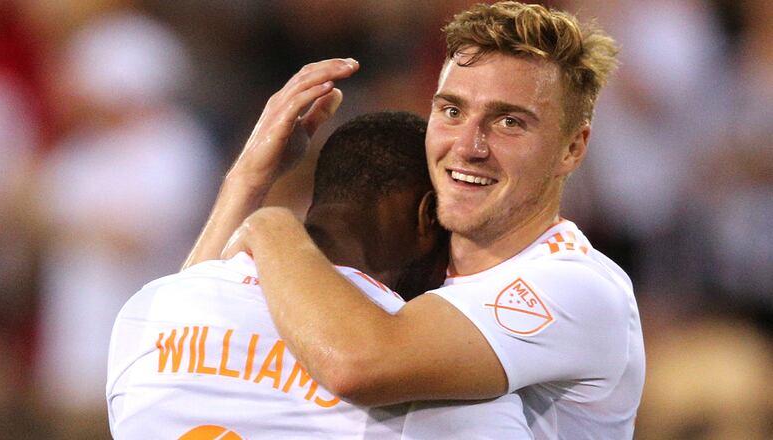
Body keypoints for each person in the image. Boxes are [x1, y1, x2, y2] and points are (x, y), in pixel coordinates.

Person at [200, 2, 644, 438]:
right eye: (452, 111)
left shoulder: (579, 288)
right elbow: (188, 331)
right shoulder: (405, 261)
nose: (468, 146)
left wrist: (270, 224)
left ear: (572, 148)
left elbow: (357, 365)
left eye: (509, 122)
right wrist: (248, 179)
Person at [106, 111, 458, 439]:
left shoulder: (144, 313)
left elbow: (196, 299)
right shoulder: (420, 360)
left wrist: (246, 181)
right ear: (428, 215)